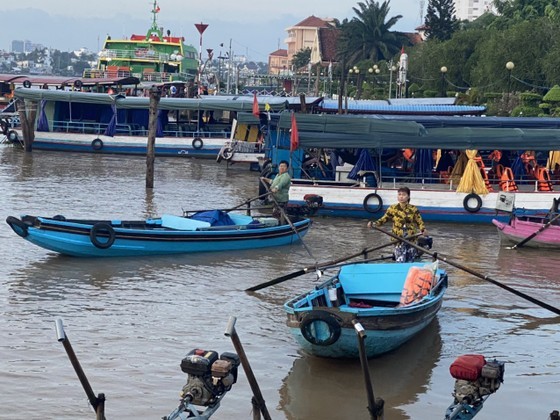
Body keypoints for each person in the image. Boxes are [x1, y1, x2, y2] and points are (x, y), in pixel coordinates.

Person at [367, 187, 428, 262]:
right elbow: (384, 219)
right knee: (400, 260)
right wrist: (374, 224)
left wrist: (423, 229)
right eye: (399, 194)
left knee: (410, 260)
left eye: (404, 195)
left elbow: (419, 222)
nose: (401, 197)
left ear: (408, 196)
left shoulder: (413, 209)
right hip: (397, 239)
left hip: (411, 238)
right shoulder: (393, 208)